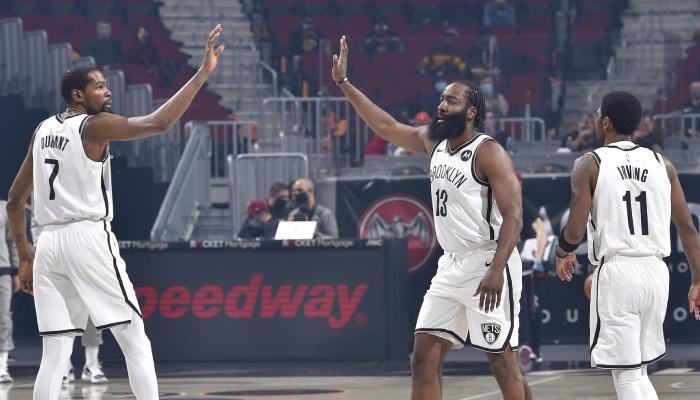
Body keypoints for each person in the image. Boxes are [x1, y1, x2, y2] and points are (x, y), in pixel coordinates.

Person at [5, 24, 225, 400]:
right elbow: (160, 122)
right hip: (87, 237)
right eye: (99, 86)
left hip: (48, 243)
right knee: (133, 337)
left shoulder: (42, 130)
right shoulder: (93, 125)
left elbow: (13, 199)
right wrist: (202, 74)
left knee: (55, 354)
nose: (107, 92)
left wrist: (25, 256)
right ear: (78, 94)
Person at [332, 35, 531, 400]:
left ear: (471, 111)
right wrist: (345, 83)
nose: (441, 105)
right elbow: (388, 127)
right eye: (441, 98)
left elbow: (515, 216)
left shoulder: (489, 152)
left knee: (502, 361)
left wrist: (496, 269)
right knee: (422, 358)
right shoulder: (433, 142)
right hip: (451, 266)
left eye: (451, 101)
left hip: (488, 259)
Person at [555, 91, 700, 400]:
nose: (595, 120)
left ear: (605, 122)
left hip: (619, 271)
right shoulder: (664, 165)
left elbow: (575, 230)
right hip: (656, 273)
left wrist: (562, 252)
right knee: (637, 371)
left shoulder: (589, 163)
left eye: (597, 116)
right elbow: (688, 228)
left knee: (626, 376)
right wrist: (698, 280)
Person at [29, 212, 108, 384]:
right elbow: (37, 216)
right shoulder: (41, 183)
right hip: (53, 248)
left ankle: (91, 364)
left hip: (86, 246)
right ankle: (64, 366)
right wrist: (38, 245)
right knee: (58, 310)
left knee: (91, 307)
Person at [514, 173, 549, 366]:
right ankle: (523, 345)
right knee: (520, 307)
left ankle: (535, 348)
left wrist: (538, 257)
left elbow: (541, 232)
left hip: (532, 266)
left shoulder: (525, 205)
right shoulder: (501, 205)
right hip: (514, 265)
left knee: (535, 308)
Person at [0, 199, 19, 383]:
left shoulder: (3, 207)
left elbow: (12, 240)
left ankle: (2, 367)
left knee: (3, 318)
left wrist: (15, 271)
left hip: (2, 271)